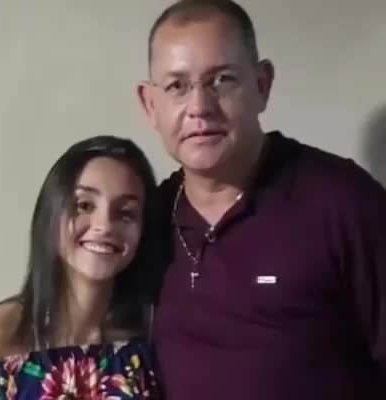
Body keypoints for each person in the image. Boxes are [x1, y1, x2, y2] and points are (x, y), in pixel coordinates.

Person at [137, 0, 386, 399]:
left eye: (222, 80)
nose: (200, 107)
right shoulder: (146, 219)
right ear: (151, 104)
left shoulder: (343, 202)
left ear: (262, 85)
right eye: (177, 86)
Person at [0, 136, 160, 399]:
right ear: (52, 214)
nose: (105, 226)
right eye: (84, 205)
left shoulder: (149, 341)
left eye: (126, 212)